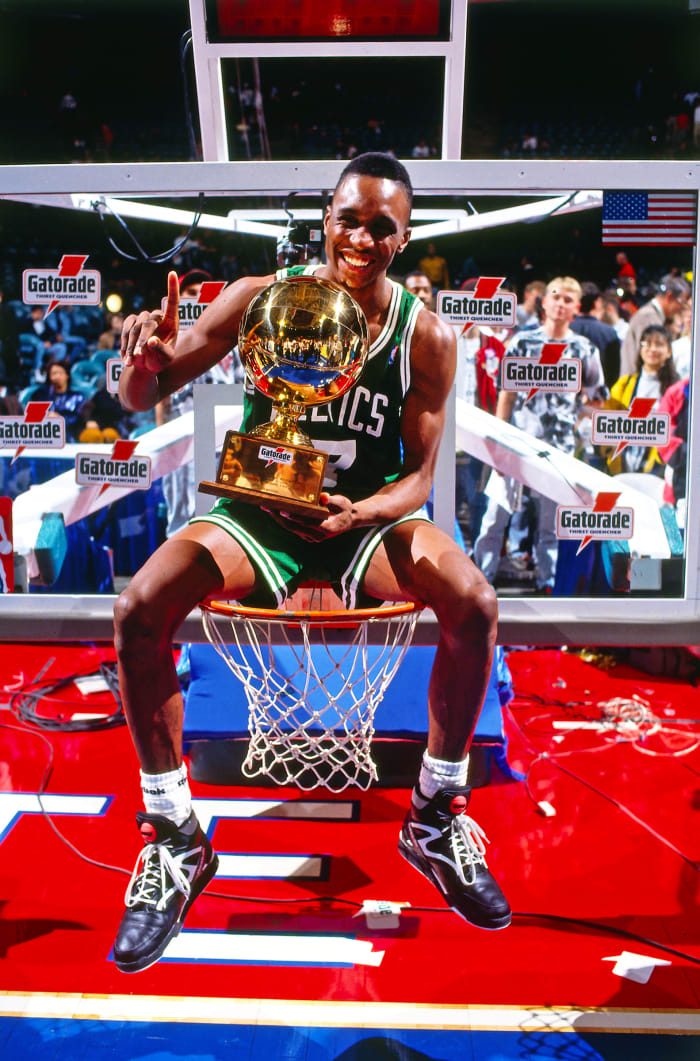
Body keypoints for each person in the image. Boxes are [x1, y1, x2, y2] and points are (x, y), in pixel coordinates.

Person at [112, 152, 510, 975]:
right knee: (138, 609)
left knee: (472, 602)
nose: (360, 237)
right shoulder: (260, 298)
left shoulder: (425, 336)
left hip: (359, 519)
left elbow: (419, 479)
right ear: (325, 216)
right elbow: (140, 396)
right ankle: (174, 836)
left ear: (404, 238)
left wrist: (360, 513)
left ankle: (435, 811)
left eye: (381, 226)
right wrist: (145, 364)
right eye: (348, 218)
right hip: (260, 508)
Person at [473, 277, 607, 594]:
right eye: (555, 297)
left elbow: (597, 399)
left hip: (559, 450)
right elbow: (506, 392)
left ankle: (548, 584)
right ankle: (480, 579)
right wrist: (498, 436)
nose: (561, 304)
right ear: (544, 302)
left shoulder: (585, 348)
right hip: (517, 444)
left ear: (576, 307)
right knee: (495, 517)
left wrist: (574, 420)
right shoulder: (522, 342)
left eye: (568, 299)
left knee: (551, 525)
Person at [155, 269, 240, 538]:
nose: (198, 299)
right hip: (185, 441)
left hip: (226, 442)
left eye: (204, 293)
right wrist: (166, 442)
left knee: (224, 518)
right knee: (183, 517)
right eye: (190, 294)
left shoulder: (233, 342)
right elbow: (162, 397)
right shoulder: (174, 340)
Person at [605, 324, 678, 476]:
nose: (652, 349)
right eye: (647, 343)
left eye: (659, 344)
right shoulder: (625, 384)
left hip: (658, 471)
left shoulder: (676, 390)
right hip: (621, 468)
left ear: (669, 351)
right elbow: (607, 419)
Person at [619, 275, 690, 376]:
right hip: (637, 385)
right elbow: (647, 360)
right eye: (681, 303)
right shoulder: (648, 316)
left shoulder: (653, 315)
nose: (680, 308)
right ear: (669, 297)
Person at [570, 281, 621, 387]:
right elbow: (614, 372)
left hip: (567, 394)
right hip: (598, 396)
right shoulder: (608, 333)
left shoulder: (564, 330)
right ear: (597, 303)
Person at [35, 359, 89, 441]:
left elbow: (79, 420)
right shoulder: (40, 395)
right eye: (54, 373)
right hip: (45, 437)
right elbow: (33, 418)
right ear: (49, 377)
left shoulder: (78, 397)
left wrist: (59, 419)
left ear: (66, 375)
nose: (57, 376)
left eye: (60, 373)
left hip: (71, 435)